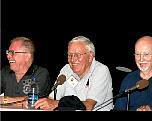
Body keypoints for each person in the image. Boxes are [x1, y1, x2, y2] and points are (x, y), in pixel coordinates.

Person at [34, 36, 113, 111]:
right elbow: (52, 99)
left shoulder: (101, 70)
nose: (73, 59)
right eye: (70, 55)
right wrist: (37, 103)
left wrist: (56, 104)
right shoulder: (66, 69)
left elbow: (89, 106)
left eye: (78, 55)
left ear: (90, 56)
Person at [0, 37, 52, 104]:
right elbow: (25, 100)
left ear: (27, 56)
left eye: (12, 52)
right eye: (8, 52)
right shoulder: (5, 72)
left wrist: (5, 100)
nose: (8, 56)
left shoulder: (40, 73)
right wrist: (22, 99)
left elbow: (33, 101)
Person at [114, 36, 152, 111]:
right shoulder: (129, 79)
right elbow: (118, 108)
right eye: (137, 54)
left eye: (146, 54)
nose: (141, 59)